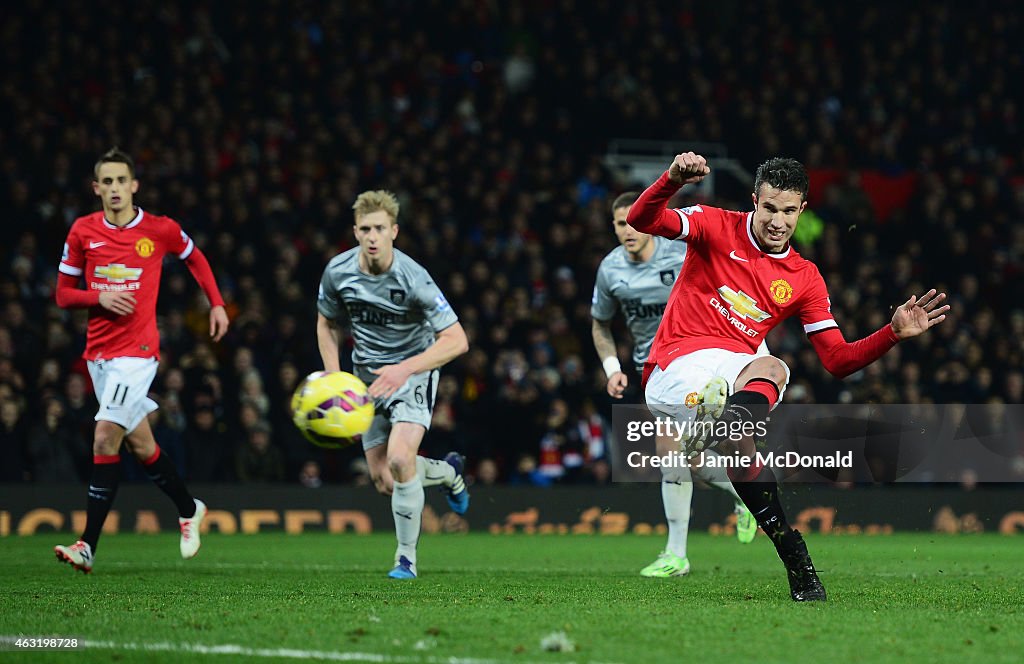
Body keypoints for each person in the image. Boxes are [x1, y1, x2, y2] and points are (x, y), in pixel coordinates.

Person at [627, 152, 948, 601]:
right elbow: (643, 220)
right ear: (754, 202)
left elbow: (837, 360)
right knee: (759, 382)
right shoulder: (713, 224)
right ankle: (719, 418)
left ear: (802, 210)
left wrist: (891, 334)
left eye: (789, 211)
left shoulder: (804, 278)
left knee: (772, 376)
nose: (778, 221)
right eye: (770, 208)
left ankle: (795, 559)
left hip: (735, 368)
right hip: (675, 365)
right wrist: (671, 180)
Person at [54, 147, 229, 573]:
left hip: (139, 352)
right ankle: (189, 509)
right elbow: (62, 295)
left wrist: (217, 304)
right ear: (96, 188)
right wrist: (99, 296)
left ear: (134, 185)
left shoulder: (159, 229)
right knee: (142, 444)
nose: (115, 189)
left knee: (103, 438)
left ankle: (87, 544)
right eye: (106, 182)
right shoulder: (82, 232)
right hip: (99, 355)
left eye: (121, 181)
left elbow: (195, 257)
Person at [591, 192, 756, 578]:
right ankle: (747, 494)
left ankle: (676, 554)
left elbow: (725, 285)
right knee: (691, 461)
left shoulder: (681, 253)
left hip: (695, 358)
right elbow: (600, 321)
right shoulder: (610, 269)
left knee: (672, 455)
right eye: (619, 223)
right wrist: (612, 366)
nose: (627, 230)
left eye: (633, 220)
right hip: (653, 369)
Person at [316, 190, 470, 579]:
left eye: (380, 229)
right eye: (365, 229)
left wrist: (404, 370)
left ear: (394, 231)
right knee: (385, 480)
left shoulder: (414, 278)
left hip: (412, 373)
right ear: (355, 232)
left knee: (401, 460)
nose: (372, 236)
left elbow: (456, 340)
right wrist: (335, 378)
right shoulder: (338, 272)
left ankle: (406, 559)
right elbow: (327, 322)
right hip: (366, 378)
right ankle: (449, 473)